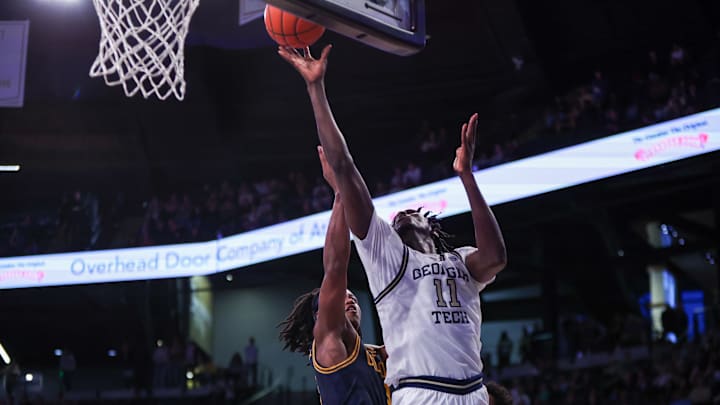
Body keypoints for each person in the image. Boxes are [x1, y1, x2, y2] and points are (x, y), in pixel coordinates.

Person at [279, 45, 507, 404]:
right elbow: (344, 166)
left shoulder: (461, 263)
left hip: (471, 391)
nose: (399, 215)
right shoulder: (388, 258)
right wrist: (316, 88)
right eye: (396, 217)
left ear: (431, 229)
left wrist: (467, 177)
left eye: (410, 213)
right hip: (423, 392)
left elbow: (495, 257)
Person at [279, 147, 390, 404]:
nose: (349, 299)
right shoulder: (329, 341)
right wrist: (340, 193)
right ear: (321, 315)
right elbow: (336, 267)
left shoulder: (376, 355)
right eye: (342, 296)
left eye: (352, 296)